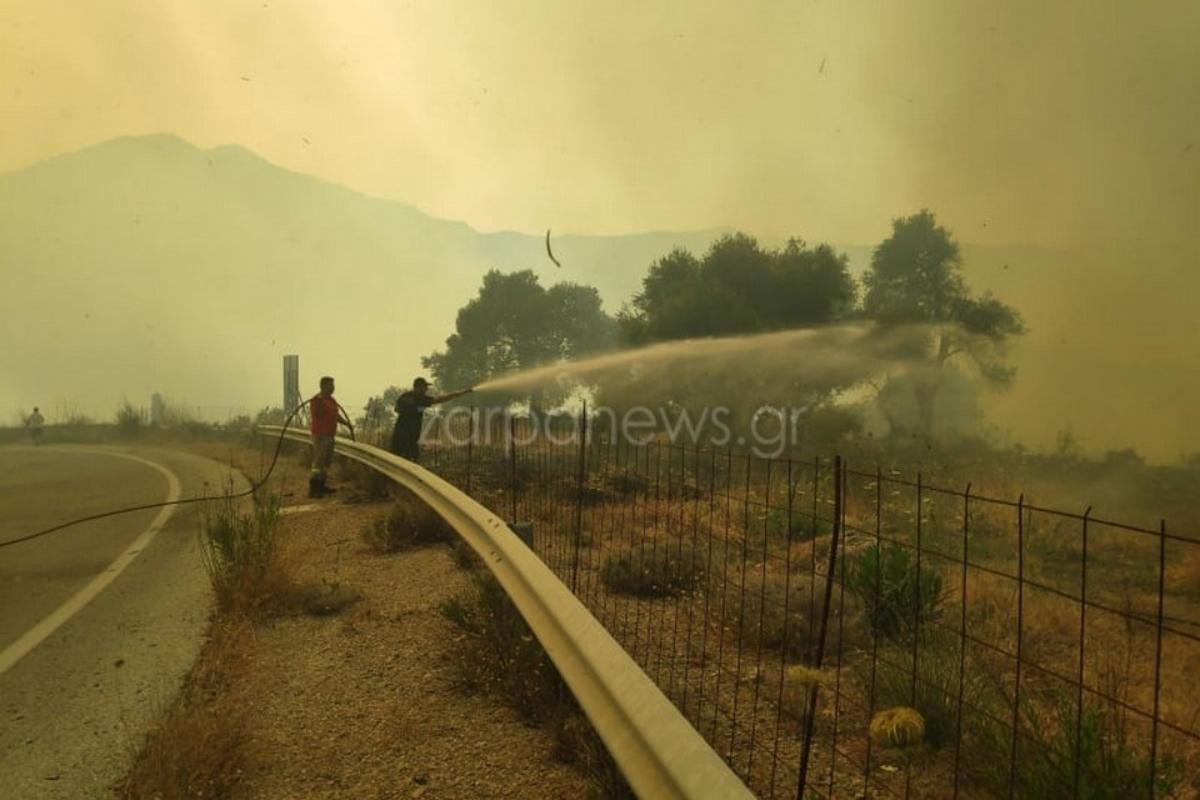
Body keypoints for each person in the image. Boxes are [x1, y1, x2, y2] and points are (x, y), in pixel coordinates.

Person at [390, 377, 472, 462]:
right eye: (425, 387)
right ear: (419, 386)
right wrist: (416, 409)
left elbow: (440, 399)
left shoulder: (419, 398)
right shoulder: (410, 398)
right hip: (402, 434)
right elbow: (397, 409)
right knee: (397, 458)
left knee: (407, 459)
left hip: (411, 435)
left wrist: (459, 393)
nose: (426, 389)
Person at [307, 376, 354, 498]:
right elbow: (316, 413)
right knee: (318, 463)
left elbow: (336, 415)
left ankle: (322, 486)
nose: (333, 388)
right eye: (330, 385)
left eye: (333, 385)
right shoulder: (317, 400)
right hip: (320, 435)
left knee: (326, 462)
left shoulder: (332, 400)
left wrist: (347, 424)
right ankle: (314, 489)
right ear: (323, 386)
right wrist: (320, 402)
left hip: (330, 435)